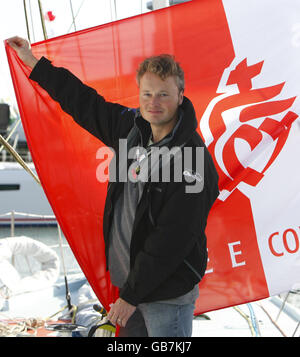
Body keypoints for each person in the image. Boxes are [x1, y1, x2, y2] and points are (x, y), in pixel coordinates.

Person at [8, 36, 219, 337]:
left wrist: (130, 296)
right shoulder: (130, 129)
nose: (153, 103)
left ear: (181, 96)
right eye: (147, 94)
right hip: (130, 290)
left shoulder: (193, 161)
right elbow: (84, 102)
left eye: (163, 94)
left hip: (165, 298)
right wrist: (33, 62)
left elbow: (172, 240)